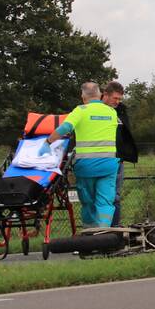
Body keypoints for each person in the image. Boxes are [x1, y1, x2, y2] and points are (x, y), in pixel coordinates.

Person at [40, 82, 119, 228]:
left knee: (88, 202)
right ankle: (103, 234)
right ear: (100, 94)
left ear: (83, 96)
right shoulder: (112, 113)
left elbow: (65, 128)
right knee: (106, 202)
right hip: (108, 165)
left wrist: (48, 142)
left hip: (86, 166)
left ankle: (88, 236)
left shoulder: (80, 110)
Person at [101, 80, 138, 226]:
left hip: (117, 160)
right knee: (97, 196)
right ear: (105, 95)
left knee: (115, 196)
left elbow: (125, 133)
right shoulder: (94, 110)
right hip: (98, 159)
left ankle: (114, 228)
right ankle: (97, 229)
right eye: (115, 98)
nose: (117, 101)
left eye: (119, 99)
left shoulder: (121, 110)